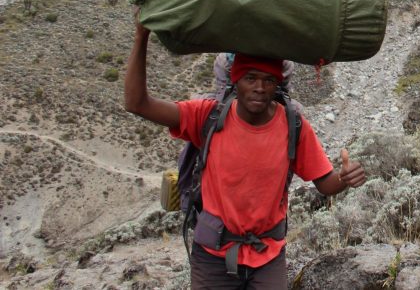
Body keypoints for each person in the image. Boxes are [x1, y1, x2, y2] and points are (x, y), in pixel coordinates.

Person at [124, 15, 365, 288]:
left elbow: (325, 184)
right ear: (236, 81)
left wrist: (344, 180)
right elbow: (137, 103)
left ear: (278, 85)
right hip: (212, 255)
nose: (260, 88)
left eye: (268, 80)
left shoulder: (293, 126)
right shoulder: (208, 116)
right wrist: (140, 37)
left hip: (268, 256)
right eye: (250, 78)